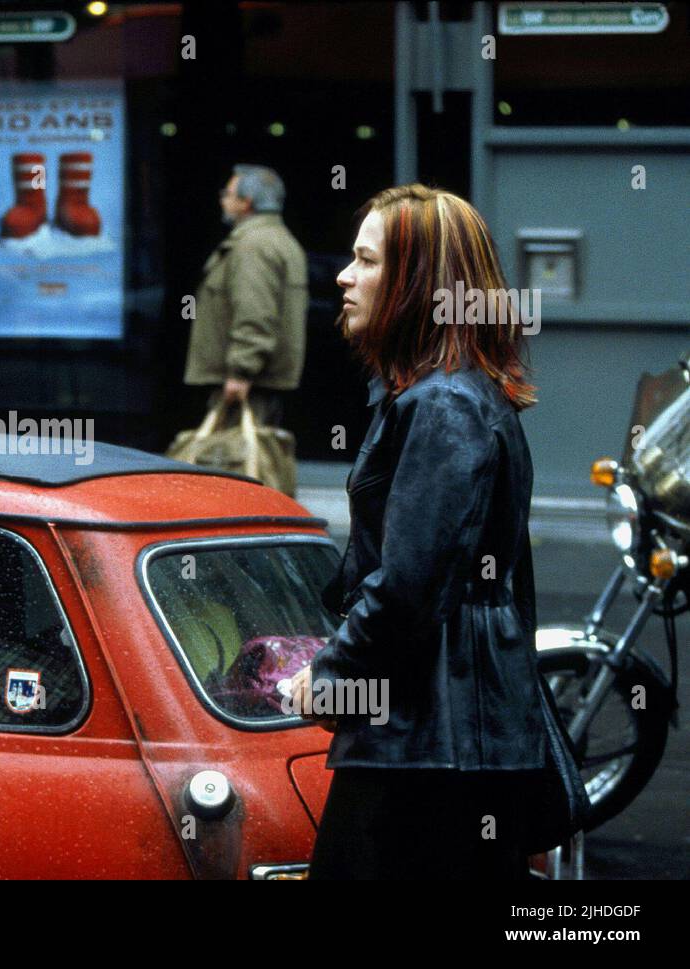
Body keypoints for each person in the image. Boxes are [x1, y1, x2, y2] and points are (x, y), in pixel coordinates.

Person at [289, 184, 548, 880]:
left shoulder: (442, 405)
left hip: (426, 744)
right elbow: (508, 591)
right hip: (458, 737)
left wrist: (330, 677)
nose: (344, 275)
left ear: (415, 284)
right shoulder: (457, 394)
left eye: (367, 261)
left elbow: (408, 586)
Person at [183, 164, 307, 427]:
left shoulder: (253, 246)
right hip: (257, 383)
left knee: (233, 463)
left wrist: (241, 371)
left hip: (247, 385)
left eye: (227, 193)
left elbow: (256, 313)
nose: (222, 200)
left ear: (246, 202)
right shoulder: (274, 239)